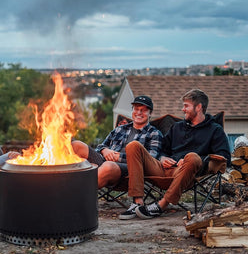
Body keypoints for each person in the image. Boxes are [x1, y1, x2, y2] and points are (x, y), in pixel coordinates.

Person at [125, 89, 231, 220]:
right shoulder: (177, 127)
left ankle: (162, 205)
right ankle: (137, 202)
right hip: (163, 168)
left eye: (186, 106)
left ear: (198, 107)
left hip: (186, 173)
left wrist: (193, 161)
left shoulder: (215, 130)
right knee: (133, 145)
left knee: (192, 157)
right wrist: (163, 158)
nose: (183, 109)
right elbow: (162, 148)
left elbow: (224, 157)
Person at [72, 95, 163, 219]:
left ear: (150, 113)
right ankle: (60, 181)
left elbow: (150, 160)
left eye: (143, 110)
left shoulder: (154, 134)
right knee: (77, 145)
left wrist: (119, 157)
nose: (139, 113)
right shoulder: (120, 129)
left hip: (127, 171)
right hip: (105, 160)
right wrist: (105, 151)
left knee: (108, 166)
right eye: (136, 109)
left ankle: (71, 196)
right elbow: (101, 146)